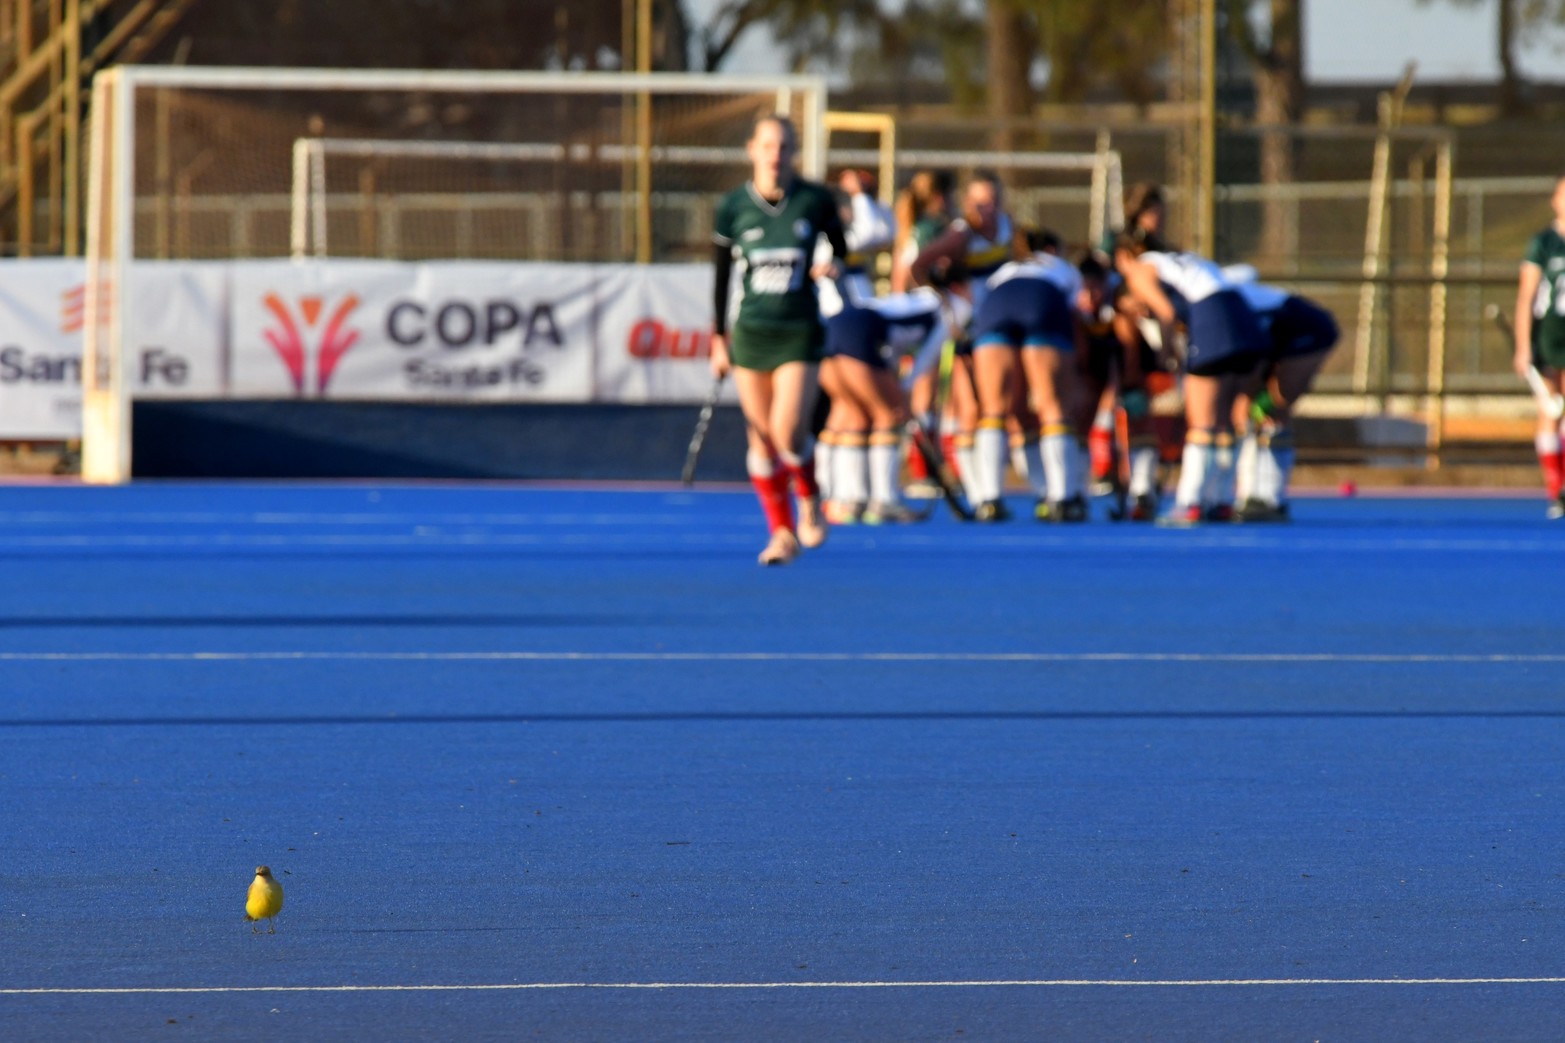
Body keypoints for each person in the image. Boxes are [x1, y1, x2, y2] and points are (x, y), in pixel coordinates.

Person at [710, 114, 848, 565]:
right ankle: (781, 533)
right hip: (751, 334)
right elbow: (721, 277)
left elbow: (840, 246)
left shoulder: (813, 200)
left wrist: (836, 266)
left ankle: (809, 496)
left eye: (785, 146)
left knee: (787, 431)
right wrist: (717, 338)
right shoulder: (734, 207)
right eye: (768, 146)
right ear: (752, 149)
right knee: (761, 440)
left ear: (794, 152)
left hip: (798, 331)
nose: (776, 155)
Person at [1115, 232, 1270, 525]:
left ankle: (1190, 502)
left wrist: (1166, 353)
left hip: (1212, 317)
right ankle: (1220, 500)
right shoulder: (1183, 259)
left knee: (1201, 422)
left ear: (1125, 257)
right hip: (1242, 316)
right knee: (1225, 421)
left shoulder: (1139, 269)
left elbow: (1166, 312)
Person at [818, 287, 966, 524]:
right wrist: (905, 394)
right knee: (888, 415)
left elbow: (891, 346)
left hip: (832, 328)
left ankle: (843, 499)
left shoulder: (916, 299)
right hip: (860, 332)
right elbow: (927, 358)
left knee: (849, 413)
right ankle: (884, 502)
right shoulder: (954, 310)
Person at [1228, 278, 1340, 522]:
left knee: (1274, 408)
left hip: (1307, 335)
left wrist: (1250, 399)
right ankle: (1248, 494)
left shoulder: (1232, 305)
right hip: (1274, 343)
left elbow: (1253, 362)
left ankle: (1269, 497)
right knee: (1251, 409)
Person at [1515, 174, 1565, 519]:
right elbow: (1525, 297)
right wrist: (1522, 346)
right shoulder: (1543, 243)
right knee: (1550, 412)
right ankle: (1554, 490)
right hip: (1548, 337)